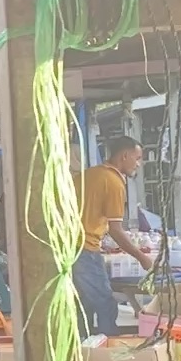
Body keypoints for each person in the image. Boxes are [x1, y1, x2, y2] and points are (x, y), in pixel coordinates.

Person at [76, 135, 151, 336]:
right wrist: (142, 257)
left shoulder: (89, 174)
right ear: (124, 156)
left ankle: (83, 345)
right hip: (85, 247)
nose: (138, 164)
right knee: (105, 302)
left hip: (69, 246)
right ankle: (108, 344)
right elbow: (115, 229)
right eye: (137, 158)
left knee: (82, 303)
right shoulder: (114, 182)